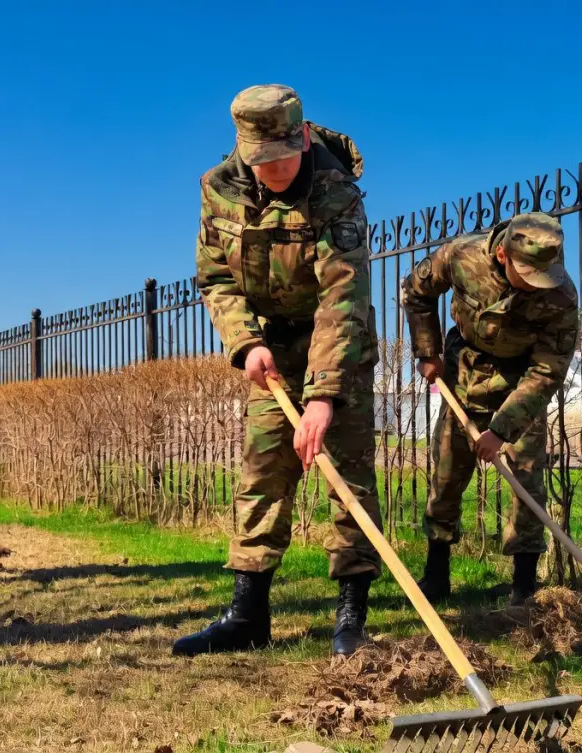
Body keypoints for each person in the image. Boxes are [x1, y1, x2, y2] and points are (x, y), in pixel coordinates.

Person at [174, 84, 382, 657]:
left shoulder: (336, 192)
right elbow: (214, 277)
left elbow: (344, 296)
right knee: (263, 473)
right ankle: (248, 616)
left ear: (304, 137)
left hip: (338, 348)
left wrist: (325, 394)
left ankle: (350, 617)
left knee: (349, 480)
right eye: (263, 161)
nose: (276, 170)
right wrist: (245, 341)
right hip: (271, 354)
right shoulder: (218, 191)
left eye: (285, 157)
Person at [401, 212, 578, 606]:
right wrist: (427, 351)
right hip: (464, 370)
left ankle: (524, 587)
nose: (537, 285)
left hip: (520, 382)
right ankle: (436, 575)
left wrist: (502, 430)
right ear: (501, 254)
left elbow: (548, 371)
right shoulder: (461, 256)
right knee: (447, 473)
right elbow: (415, 292)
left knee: (526, 479)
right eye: (527, 274)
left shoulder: (561, 295)